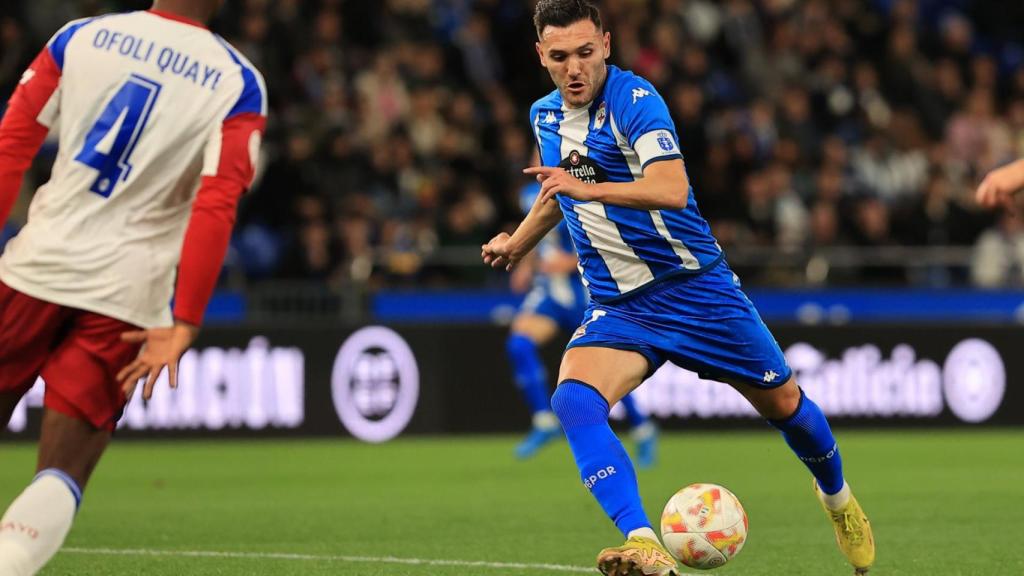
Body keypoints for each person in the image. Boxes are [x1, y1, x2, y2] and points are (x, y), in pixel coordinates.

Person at [481, 2, 874, 575]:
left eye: (586, 53)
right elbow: (556, 190)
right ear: (541, 56)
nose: (574, 69)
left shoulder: (636, 101)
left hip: (696, 291)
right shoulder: (544, 115)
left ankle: (837, 499)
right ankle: (642, 541)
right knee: (573, 399)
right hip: (621, 305)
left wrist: (586, 190)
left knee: (786, 404)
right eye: (560, 57)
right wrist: (518, 243)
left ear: (607, 46)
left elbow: (668, 188)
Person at [0, 2, 266, 574]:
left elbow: (11, 145)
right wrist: (185, 318)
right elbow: (215, 203)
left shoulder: (82, 37)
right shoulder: (237, 81)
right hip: (125, 297)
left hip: (32, 270)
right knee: (60, 472)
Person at [508, 181, 657, 466]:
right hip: (550, 293)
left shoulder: (578, 183)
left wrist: (572, 261)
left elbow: (604, 232)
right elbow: (540, 235)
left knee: (599, 372)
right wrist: (524, 264)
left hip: (584, 290)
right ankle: (543, 421)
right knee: (519, 344)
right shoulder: (527, 192)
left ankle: (642, 428)